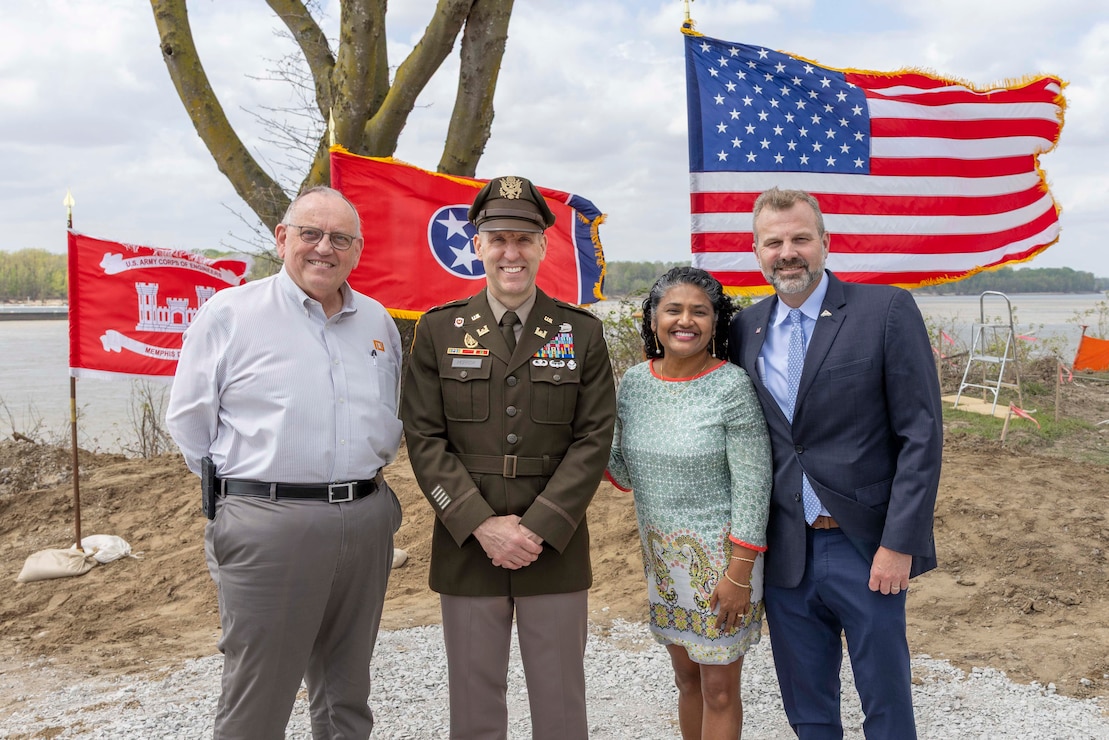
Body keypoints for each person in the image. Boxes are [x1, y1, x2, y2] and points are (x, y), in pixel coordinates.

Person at [166, 186, 404, 740]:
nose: (325, 248)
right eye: (311, 234)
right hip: (268, 522)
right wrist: (247, 493)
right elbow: (190, 425)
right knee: (258, 696)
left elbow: (386, 410)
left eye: (340, 238)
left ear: (357, 249)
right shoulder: (230, 314)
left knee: (347, 693)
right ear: (282, 239)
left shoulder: (376, 321)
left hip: (366, 517)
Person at [401, 175, 616, 740]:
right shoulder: (439, 330)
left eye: (524, 238)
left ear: (544, 244)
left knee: (562, 706)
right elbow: (424, 438)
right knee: (473, 709)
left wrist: (540, 527)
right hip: (468, 544)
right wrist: (481, 525)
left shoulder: (581, 333)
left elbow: (594, 439)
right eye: (498, 238)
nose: (511, 252)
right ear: (477, 244)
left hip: (556, 544)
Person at [729, 187, 943, 738]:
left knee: (886, 699)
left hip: (866, 545)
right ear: (756, 252)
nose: (788, 251)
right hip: (786, 551)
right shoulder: (743, 330)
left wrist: (900, 543)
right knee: (806, 706)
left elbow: (921, 436)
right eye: (773, 242)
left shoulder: (884, 311)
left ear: (824, 242)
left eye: (800, 238)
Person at [607, 266, 772, 739]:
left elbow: (754, 485)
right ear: (654, 319)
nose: (686, 320)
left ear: (716, 321)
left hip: (722, 566)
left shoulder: (731, 386)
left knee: (719, 690)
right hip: (661, 562)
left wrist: (738, 574)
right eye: (673, 309)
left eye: (700, 311)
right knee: (685, 680)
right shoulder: (635, 382)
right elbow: (619, 468)